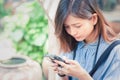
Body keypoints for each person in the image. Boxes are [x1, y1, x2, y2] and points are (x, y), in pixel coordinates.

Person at [42, 0, 120, 80]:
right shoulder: (70, 42)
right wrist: (62, 73)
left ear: (94, 19)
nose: (72, 32)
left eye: (77, 26)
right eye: (67, 27)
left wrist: (82, 75)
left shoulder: (115, 51)